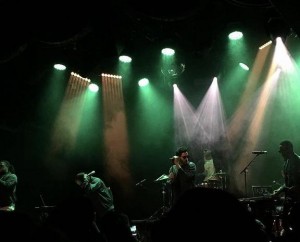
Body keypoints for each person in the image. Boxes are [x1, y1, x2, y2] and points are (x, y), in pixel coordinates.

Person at [75, 171, 136, 242]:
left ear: (84, 180)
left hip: (109, 211)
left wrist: (85, 180)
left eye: (81, 184)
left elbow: (90, 190)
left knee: (118, 231)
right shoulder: (88, 185)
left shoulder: (96, 181)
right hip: (104, 214)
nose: (81, 187)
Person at [272, 140, 300, 235]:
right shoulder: (286, 163)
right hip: (290, 199)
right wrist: (279, 190)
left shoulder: (297, 161)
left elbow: (297, 184)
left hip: (297, 200)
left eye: (283, 151)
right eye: (280, 151)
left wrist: (283, 190)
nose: (281, 154)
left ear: (290, 149)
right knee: (285, 223)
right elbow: (288, 183)